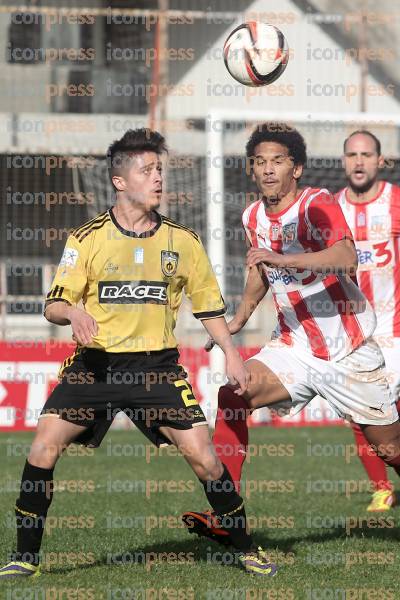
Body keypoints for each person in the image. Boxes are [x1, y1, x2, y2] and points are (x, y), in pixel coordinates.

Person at [0, 128, 276, 579]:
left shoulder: (182, 242)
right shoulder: (86, 239)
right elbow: (51, 304)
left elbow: (207, 305)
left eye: (160, 170)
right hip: (96, 366)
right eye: (147, 170)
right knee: (42, 448)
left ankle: (245, 548)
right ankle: (24, 558)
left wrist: (231, 351)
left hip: (156, 370)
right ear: (120, 181)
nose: (159, 178)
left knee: (204, 457)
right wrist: (72, 312)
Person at [182, 123, 400, 546]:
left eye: (278, 161)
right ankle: (227, 513)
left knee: (390, 449)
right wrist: (239, 319)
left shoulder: (316, 203)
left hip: (348, 351)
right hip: (293, 346)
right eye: (260, 162)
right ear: (251, 169)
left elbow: (343, 254)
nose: (268, 170)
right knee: (233, 394)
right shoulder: (252, 217)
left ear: (296, 168)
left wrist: (283, 256)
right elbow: (259, 276)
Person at [336, 130, 400, 511]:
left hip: (395, 330)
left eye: (366, 154)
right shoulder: (330, 207)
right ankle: (381, 488)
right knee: (361, 414)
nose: (359, 161)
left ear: (380, 161)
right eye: (352, 154)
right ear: (343, 161)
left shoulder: (395, 201)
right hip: (356, 337)